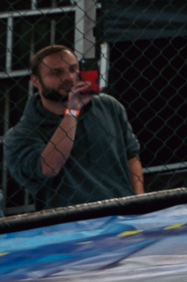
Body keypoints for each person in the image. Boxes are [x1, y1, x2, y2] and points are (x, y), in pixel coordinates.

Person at [4, 46, 143, 211]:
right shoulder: (20, 135)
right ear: (36, 81)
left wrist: (139, 201)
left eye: (73, 69)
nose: (69, 77)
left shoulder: (108, 107)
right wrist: (72, 111)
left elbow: (131, 156)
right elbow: (48, 168)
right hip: (70, 220)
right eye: (56, 73)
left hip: (123, 213)